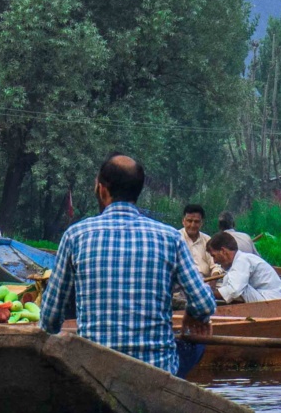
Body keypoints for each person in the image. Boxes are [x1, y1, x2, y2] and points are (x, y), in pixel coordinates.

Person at [38, 154, 215, 375]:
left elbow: (49, 320)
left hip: (94, 373)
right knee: (195, 341)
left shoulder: (76, 235)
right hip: (156, 371)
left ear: (102, 190)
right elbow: (205, 304)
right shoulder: (170, 237)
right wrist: (194, 314)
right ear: (137, 192)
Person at [209, 229, 281, 303]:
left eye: (214, 256)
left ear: (223, 251)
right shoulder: (239, 261)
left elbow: (234, 290)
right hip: (268, 299)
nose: (214, 261)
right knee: (230, 281)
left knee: (239, 289)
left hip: (274, 301)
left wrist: (209, 294)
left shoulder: (242, 260)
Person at [180, 203, 219, 283]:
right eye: (189, 221)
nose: (192, 225)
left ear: (201, 223)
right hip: (183, 286)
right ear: (183, 221)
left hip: (206, 283)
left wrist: (212, 283)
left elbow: (216, 266)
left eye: (196, 222)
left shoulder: (208, 240)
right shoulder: (176, 239)